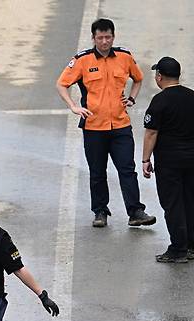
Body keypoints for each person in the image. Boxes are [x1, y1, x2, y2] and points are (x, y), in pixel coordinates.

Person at [56, 18, 156, 228]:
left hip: (120, 125)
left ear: (113, 36)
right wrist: (74, 106)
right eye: (100, 37)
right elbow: (62, 84)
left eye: (108, 37)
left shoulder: (124, 57)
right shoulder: (82, 60)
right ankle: (100, 212)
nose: (104, 41)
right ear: (93, 38)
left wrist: (131, 98)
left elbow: (138, 78)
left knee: (127, 169)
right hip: (94, 127)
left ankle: (135, 211)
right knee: (97, 172)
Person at [141, 57, 194, 263]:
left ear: (159, 76)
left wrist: (146, 160)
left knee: (173, 204)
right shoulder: (192, 97)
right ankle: (190, 245)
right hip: (192, 160)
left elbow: (151, 133)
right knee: (190, 202)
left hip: (169, 163)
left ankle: (178, 249)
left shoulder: (160, 101)